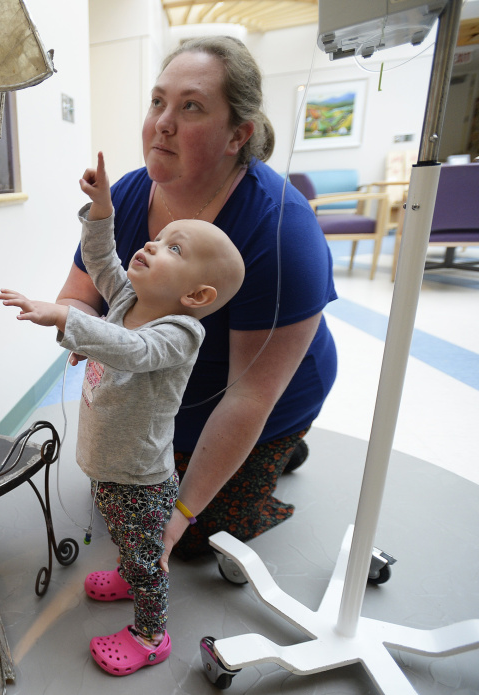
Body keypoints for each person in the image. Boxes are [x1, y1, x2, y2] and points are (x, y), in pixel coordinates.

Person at [55, 36, 338, 570]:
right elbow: (79, 292)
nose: (163, 121)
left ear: (239, 134)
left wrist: (182, 512)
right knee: (118, 501)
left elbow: (250, 395)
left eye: (191, 107)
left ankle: (277, 448)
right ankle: (260, 457)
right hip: (157, 387)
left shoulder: (281, 232)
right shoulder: (131, 195)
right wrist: (84, 326)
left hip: (258, 390)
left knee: (184, 538)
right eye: (158, 101)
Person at [0, 152, 245, 676]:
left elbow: (129, 350)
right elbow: (101, 261)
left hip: (140, 477)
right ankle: (128, 574)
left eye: (174, 248)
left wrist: (66, 316)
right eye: (160, 237)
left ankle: (151, 633)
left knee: (145, 554)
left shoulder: (180, 335)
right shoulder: (128, 297)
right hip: (109, 464)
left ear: (197, 294)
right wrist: (103, 209)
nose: (153, 244)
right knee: (122, 536)